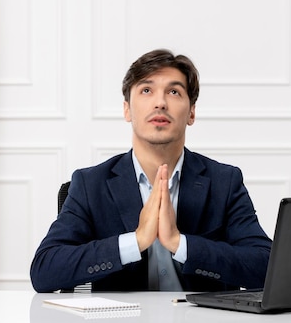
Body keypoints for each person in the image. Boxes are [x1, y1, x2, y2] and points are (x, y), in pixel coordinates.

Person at [30, 49, 272, 292]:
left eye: (174, 92)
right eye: (146, 90)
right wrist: (135, 242)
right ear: (127, 110)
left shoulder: (224, 182)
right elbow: (44, 271)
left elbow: (267, 267)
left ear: (191, 112)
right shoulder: (90, 184)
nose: (160, 102)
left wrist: (180, 244)